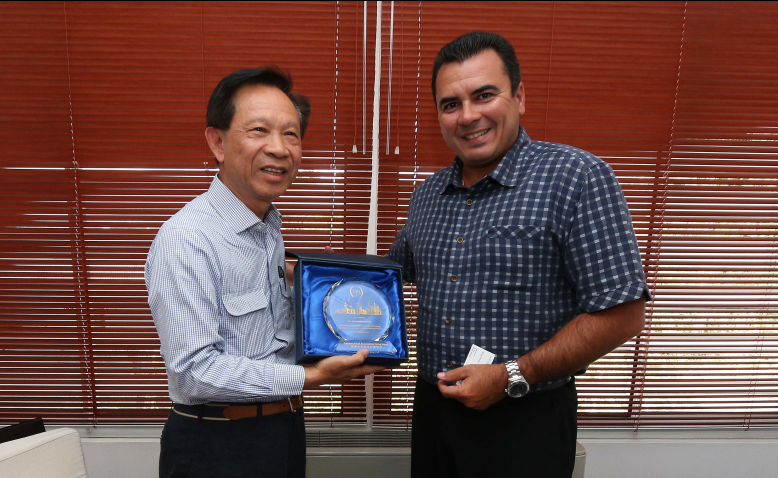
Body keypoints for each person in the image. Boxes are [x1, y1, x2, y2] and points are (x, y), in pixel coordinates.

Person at [387, 31, 651, 477]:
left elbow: (623, 313)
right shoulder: (427, 195)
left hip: (525, 418)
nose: (468, 115)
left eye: (484, 95)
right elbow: (390, 276)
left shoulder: (576, 177)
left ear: (519, 96)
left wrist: (512, 375)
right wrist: (310, 277)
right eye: (451, 104)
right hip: (434, 412)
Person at [146, 67, 383, 478]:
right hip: (217, 442)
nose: (279, 148)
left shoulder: (267, 228)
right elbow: (195, 372)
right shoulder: (187, 237)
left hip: (282, 430)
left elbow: (266, 337)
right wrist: (309, 375)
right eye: (259, 130)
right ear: (217, 142)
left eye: (291, 134)